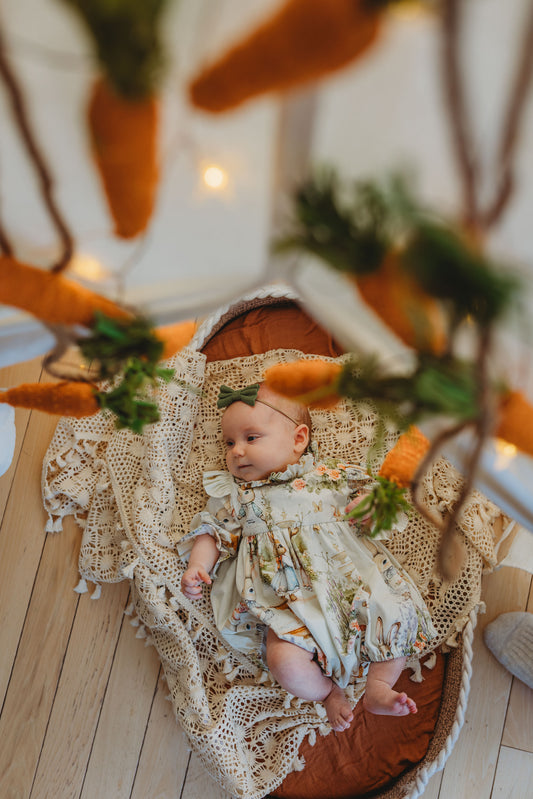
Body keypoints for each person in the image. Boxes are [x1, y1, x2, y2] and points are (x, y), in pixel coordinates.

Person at [179, 382, 436, 732]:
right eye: (229, 443)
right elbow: (212, 532)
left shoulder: (331, 477)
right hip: (288, 605)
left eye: (251, 438)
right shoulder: (238, 499)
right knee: (283, 660)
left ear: (299, 439)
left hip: (353, 583)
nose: (237, 451)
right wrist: (198, 566)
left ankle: (378, 686)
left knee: (395, 611)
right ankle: (328, 693)